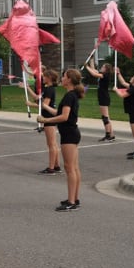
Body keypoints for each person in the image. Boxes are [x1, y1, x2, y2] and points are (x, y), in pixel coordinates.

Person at [37, 69, 85, 212]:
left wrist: (46, 120)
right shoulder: (71, 95)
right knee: (74, 168)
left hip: (69, 134)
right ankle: (74, 198)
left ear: (69, 79)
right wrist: (44, 108)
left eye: (64, 76)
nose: (62, 78)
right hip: (71, 133)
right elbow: (59, 113)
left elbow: (64, 117)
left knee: (70, 169)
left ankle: (71, 202)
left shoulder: (70, 96)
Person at [23, 69, 62, 175]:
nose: (42, 78)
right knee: (52, 143)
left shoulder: (50, 90)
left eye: (44, 76)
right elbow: (37, 98)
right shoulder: (46, 88)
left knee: (51, 144)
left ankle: (51, 168)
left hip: (49, 118)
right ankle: (57, 165)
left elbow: (44, 105)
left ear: (49, 78)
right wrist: (27, 88)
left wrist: (30, 104)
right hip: (47, 117)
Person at [86, 58, 115, 141]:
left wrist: (86, 67)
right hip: (103, 97)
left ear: (106, 69)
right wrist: (91, 61)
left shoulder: (105, 75)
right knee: (107, 117)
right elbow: (94, 70)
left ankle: (108, 135)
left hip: (104, 97)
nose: (101, 67)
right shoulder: (102, 74)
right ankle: (111, 134)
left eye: (103, 67)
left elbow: (94, 74)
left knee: (105, 117)